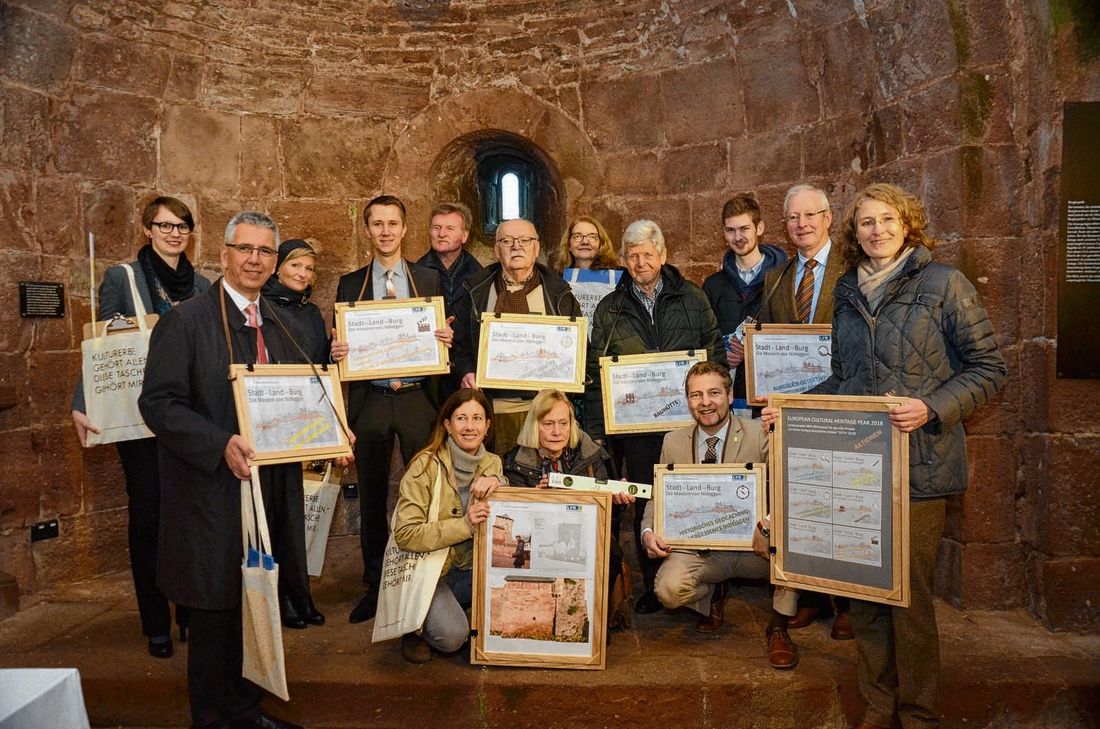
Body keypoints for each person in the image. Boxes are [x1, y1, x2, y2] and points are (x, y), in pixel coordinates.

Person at [763, 183, 1006, 728]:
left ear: (908, 224)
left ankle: (918, 715)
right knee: (867, 597)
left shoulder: (944, 284)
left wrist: (931, 406)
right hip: (860, 471)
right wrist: (791, 408)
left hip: (920, 466)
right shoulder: (848, 293)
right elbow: (845, 381)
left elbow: (990, 368)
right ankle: (878, 708)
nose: (877, 230)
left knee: (910, 600)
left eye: (887, 219)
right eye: (867, 222)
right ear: (855, 232)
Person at [138, 211, 305, 729]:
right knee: (215, 616)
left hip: (263, 493)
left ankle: (245, 711)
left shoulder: (278, 323)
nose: (255, 260)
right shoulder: (185, 321)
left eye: (265, 252)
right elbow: (159, 404)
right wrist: (219, 444)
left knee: (251, 609)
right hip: (209, 495)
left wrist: (326, 433)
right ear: (225, 253)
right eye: (245, 249)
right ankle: (213, 719)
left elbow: (295, 400)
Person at [70, 195, 209, 660]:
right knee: (149, 516)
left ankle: (190, 609)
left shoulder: (204, 285)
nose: (174, 233)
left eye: (182, 225)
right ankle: (156, 622)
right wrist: (80, 402)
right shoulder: (121, 278)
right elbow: (101, 346)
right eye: (164, 225)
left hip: (192, 418)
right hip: (138, 415)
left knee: (190, 515)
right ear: (147, 230)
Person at [585, 219, 725, 615]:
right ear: (624, 260)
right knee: (647, 497)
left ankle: (704, 580)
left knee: (696, 497)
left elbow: (712, 351)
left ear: (663, 256)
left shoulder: (692, 298)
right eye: (632, 255)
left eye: (648, 254)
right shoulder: (611, 308)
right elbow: (597, 374)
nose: (640, 261)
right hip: (636, 428)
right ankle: (652, 582)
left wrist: (711, 404)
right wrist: (597, 430)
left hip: (689, 423)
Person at [330, 195, 451, 626]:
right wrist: (338, 349)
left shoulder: (429, 280)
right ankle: (374, 584)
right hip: (373, 402)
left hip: (419, 400)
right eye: (377, 223)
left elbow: (446, 337)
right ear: (368, 230)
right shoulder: (350, 284)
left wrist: (444, 341)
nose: (385, 231)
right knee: (374, 496)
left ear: (404, 229)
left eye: (392, 223)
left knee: (426, 494)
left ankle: (426, 584)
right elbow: (340, 347)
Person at [640, 362, 800, 668]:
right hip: (703, 551)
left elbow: (788, 484)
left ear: (729, 395)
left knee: (792, 540)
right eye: (696, 395)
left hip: (756, 547)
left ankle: (778, 626)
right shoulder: (672, 441)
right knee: (668, 590)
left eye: (714, 392)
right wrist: (648, 532)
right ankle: (710, 595)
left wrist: (769, 523)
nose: (705, 402)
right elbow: (658, 495)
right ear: (687, 400)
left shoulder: (760, 434)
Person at [754, 183, 852, 638]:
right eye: (793, 218)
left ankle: (851, 599)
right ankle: (811, 595)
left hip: (846, 403)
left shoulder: (852, 270)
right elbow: (771, 340)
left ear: (828, 218)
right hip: (793, 410)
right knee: (803, 499)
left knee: (846, 498)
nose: (802, 225)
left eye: (810, 216)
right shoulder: (777, 275)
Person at [451, 218, 582, 455]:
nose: (516, 246)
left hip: (546, 412)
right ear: (496, 250)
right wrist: (466, 371)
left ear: (536, 248)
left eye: (524, 240)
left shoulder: (559, 294)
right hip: (495, 409)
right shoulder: (475, 291)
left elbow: (581, 352)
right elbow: (458, 347)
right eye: (507, 241)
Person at [501, 389, 631, 628]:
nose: (556, 431)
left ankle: (595, 620)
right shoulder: (514, 464)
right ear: (534, 426)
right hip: (539, 544)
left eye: (563, 423)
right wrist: (534, 503)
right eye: (548, 423)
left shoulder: (592, 456)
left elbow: (610, 521)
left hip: (587, 540)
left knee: (610, 550)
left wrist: (616, 502)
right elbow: (512, 528)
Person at [392, 389, 504, 664]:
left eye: (477, 418)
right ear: (447, 425)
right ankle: (412, 626)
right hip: (432, 571)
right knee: (452, 638)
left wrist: (502, 486)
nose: (470, 426)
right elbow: (406, 535)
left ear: (487, 425)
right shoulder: (424, 466)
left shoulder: (493, 463)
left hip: (471, 569)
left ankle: (451, 612)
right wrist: (463, 525)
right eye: (461, 418)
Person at [260, 238, 328, 629]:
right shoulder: (262, 308)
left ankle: (300, 595)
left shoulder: (312, 313)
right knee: (271, 515)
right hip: (270, 426)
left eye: (308, 269)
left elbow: (320, 369)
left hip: (302, 427)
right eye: (295, 267)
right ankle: (278, 598)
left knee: (294, 516)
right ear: (278, 267)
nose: (302, 275)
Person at [702, 194, 788, 406]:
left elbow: (793, 335)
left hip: (771, 395)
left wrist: (752, 351)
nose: (738, 237)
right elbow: (704, 337)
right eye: (730, 230)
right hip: (729, 397)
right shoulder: (713, 285)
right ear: (724, 233)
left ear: (759, 228)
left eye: (744, 229)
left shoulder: (784, 278)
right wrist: (721, 355)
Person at [416, 201, 484, 403]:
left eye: (449, 228)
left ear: (464, 236)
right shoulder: (415, 273)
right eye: (436, 228)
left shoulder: (480, 277)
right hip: (428, 374)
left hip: (468, 371)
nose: (441, 233)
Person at [554, 216, 618, 272]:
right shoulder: (556, 279)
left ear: (601, 244)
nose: (585, 242)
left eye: (592, 237)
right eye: (577, 236)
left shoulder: (620, 277)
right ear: (568, 244)